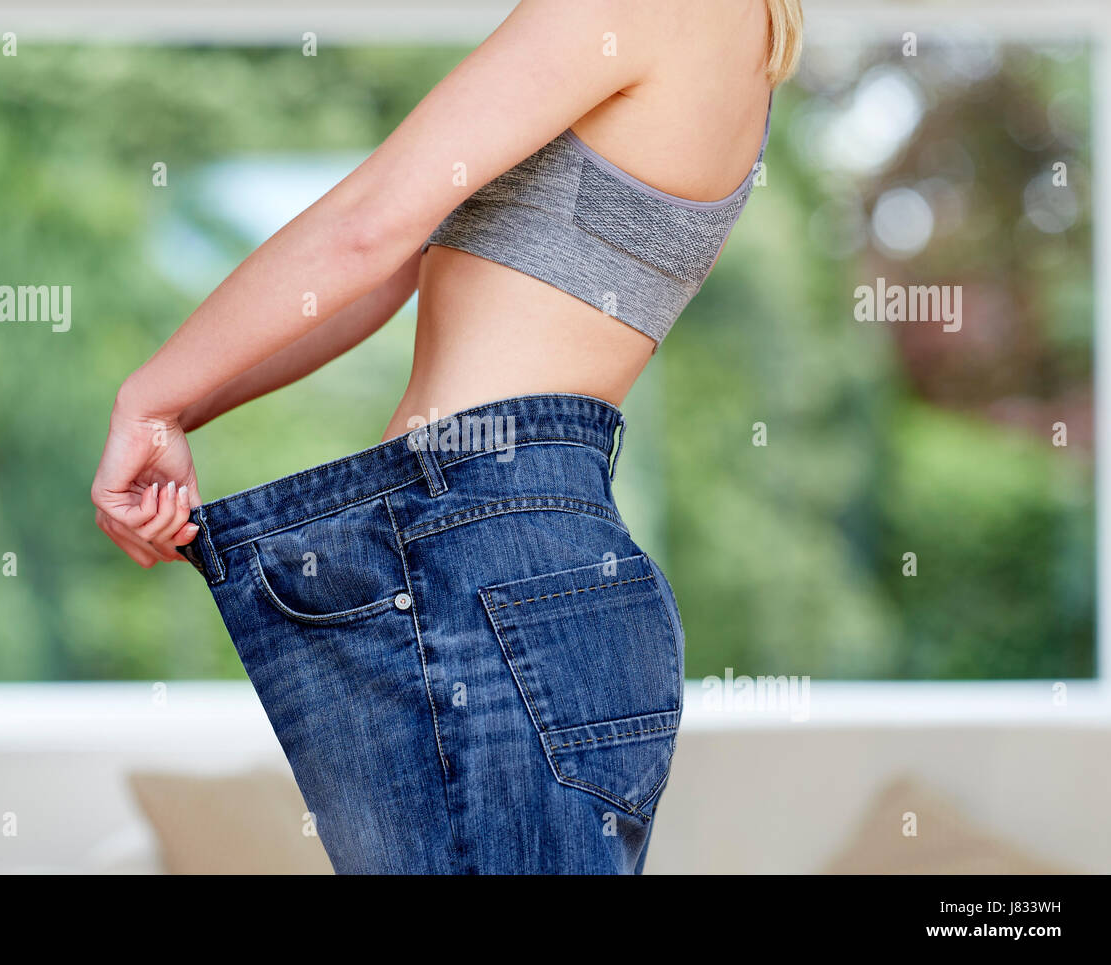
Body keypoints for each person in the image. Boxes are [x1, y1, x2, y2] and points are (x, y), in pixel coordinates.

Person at [91, 0, 802, 874]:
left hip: (486, 561)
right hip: (553, 571)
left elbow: (371, 222)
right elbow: (387, 266)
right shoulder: (735, 32)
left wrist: (145, 396)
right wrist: (175, 412)